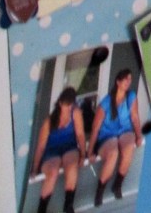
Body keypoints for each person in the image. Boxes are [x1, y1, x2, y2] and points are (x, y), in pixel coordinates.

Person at [88, 69, 142, 206]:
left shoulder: (131, 96)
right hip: (107, 135)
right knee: (113, 153)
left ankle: (117, 184)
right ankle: (100, 191)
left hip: (125, 130)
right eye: (125, 79)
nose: (128, 82)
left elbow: (135, 118)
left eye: (130, 79)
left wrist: (139, 135)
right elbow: (95, 128)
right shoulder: (105, 103)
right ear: (118, 82)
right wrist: (90, 151)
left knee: (129, 148)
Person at [31, 86, 86, 213]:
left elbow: (80, 135)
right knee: (53, 172)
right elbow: (41, 147)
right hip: (52, 151)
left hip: (69, 147)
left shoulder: (75, 113)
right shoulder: (49, 122)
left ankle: (68, 206)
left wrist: (83, 154)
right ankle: (42, 209)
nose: (69, 108)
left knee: (72, 166)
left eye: (71, 105)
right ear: (60, 103)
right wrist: (35, 168)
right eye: (67, 105)